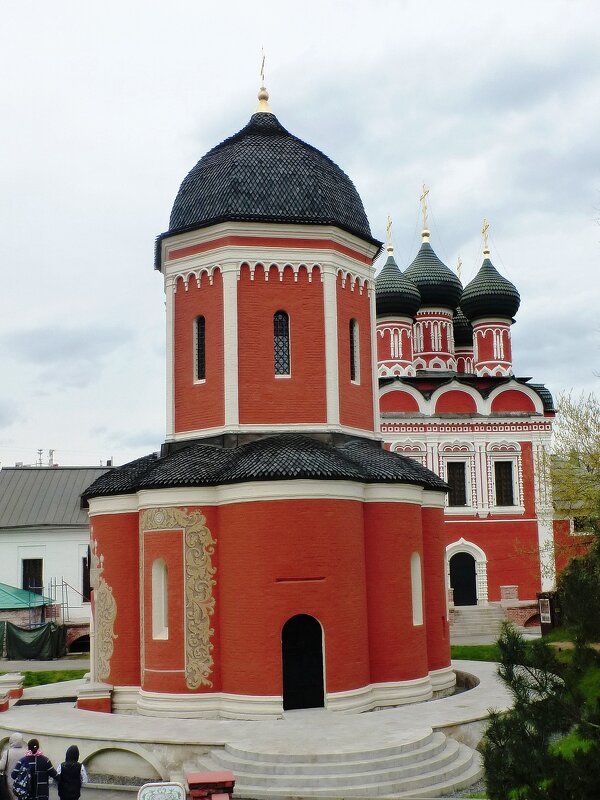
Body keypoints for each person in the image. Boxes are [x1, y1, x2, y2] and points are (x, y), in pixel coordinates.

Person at [0, 734, 27, 800]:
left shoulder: (7, 752)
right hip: (24, 780)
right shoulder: (26, 752)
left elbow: (1, 767)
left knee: (11, 796)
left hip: (10, 779)